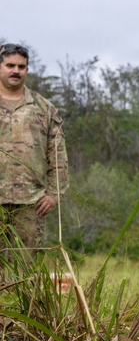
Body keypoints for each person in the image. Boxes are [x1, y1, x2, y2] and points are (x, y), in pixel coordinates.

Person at [0, 43, 69, 273]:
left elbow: (57, 154)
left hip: (31, 203)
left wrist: (54, 194)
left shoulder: (44, 109)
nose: (15, 71)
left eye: (21, 66)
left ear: (27, 69)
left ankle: (22, 311)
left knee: (26, 271)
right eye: (10, 65)